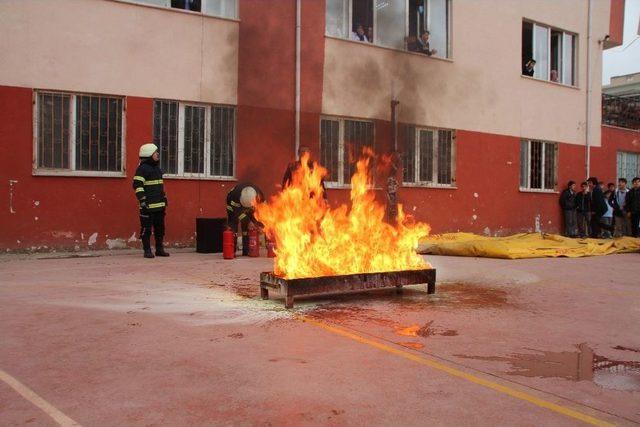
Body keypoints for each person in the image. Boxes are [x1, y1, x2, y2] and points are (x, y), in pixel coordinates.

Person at [133, 143, 169, 258]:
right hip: (147, 206)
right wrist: (142, 200)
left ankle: (159, 249)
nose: (158, 154)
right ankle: (147, 250)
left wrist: (164, 199)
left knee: (160, 229)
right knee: (146, 229)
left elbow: (159, 186)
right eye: (155, 152)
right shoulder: (142, 169)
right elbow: (137, 185)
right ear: (149, 154)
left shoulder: (156, 168)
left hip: (159, 205)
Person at [226, 183, 264, 256]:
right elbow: (238, 213)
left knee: (246, 229)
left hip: (250, 207)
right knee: (233, 226)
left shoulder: (259, 194)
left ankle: (246, 251)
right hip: (233, 208)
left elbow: (263, 210)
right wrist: (249, 222)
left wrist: (260, 224)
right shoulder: (235, 196)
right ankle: (231, 251)